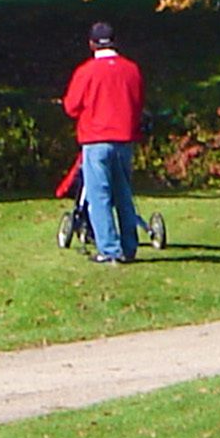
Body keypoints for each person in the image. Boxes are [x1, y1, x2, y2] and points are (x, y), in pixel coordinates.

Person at [60, 18, 145, 263]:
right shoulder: (131, 69)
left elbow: (71, 106)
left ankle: (109, 249)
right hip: (124, 139)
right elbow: (138, 103)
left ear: (91, 44)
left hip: (96, 140)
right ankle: (129, 247)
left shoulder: (86, 72)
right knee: (123, 194)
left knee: (99, 196)